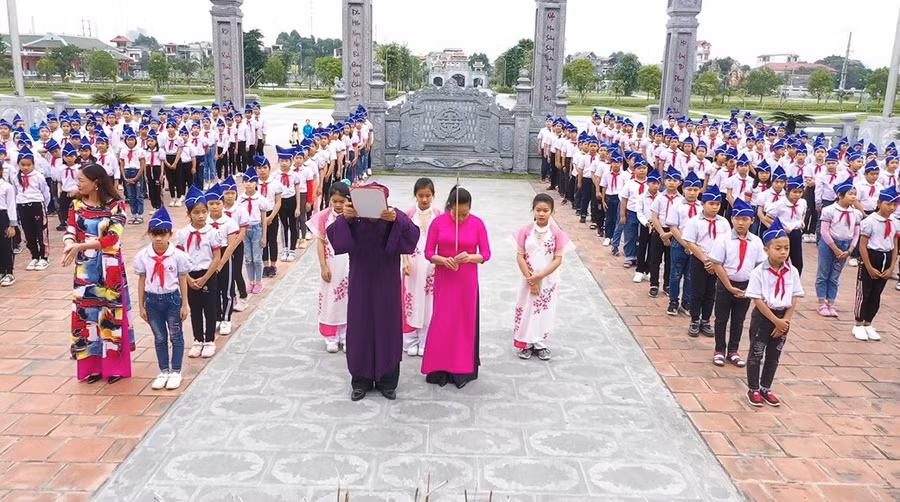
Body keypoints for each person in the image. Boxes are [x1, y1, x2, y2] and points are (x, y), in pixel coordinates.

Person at [326, 182, 419, 401]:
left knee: (387, 327)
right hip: (361, 280)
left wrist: (398, 218)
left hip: (386, 281)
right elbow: (334, 237)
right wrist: (345, 218)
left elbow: (412, 237)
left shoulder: (392, 218)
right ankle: (361, 380)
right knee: (360, 327)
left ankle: (388, 380)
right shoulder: (354, 220)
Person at [63, 164, 132, 384]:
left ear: (96, 182)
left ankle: (114, 366)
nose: (78, 183)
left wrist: (79, 247)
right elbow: (70, 230)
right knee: (87, 316)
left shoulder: (116, 206)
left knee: (109, 314)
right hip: (85, 270)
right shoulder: (76, 205)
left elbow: (112, 238)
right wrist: (68, 244)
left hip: (109, 268)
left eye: (82, 180)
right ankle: (91, 366)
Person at [422, 186, 491, 389]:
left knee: (463, 322)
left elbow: (486, 254)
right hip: (445, 278)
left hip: (467, 281)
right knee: (443, 321)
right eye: (456, 214)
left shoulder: (477, 223)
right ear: (449, 207)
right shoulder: (438, 222)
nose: (460, 218)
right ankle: (440, 367)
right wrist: (442, 260)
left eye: (465, 214)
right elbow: (428, 252)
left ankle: (461, 369)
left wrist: (470, 257)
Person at [744, 218, 803, 408]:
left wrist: (785, 321)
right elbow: (757, 299)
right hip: (764, 317)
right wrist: (774, 320)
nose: (783, 252)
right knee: (756, 352)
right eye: (778, 248)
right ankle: (753, 388)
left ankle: (765, 387)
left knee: (774, 355)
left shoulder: (792, 271)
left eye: (786, 248)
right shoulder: (758, 272)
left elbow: (794, 296)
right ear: (766, 249)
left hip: (783, 317)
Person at [512, 193, 572, 361]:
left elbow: (558, 259)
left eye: (545, 210)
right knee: (526, 307)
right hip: (527, 278)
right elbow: (520, 256)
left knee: (544, 309)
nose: (541, 213)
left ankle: (540, 342)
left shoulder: (556, 233)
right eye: (538, 210)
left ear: (552, 211)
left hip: (547, 280)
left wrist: (540, 276)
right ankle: (526, 343)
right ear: (533, 210)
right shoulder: (525, 231)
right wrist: (530, 278)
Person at [136, 207, 190, 391]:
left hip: (172, 300)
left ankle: (176, 370)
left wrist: (185, 304)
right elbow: (142, 279)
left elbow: (182, 279)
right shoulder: (143, 256)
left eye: (162, 234)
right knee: (159, 337)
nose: (158, 239)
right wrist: (141, 305)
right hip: (152, 301)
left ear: (170, 234)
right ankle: (163, 370)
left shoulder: (178, 256)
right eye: (154, 234)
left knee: (176, 335)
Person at [709, 198, 765, 367]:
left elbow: (759, 266)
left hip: (745, 286)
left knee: (739, 319)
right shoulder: (723, 239)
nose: (740, 223)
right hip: (725, 284)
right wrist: (728, 286)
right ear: (732, 219)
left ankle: (733, 350)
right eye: (737, 219)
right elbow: (717, 264)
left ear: (752, 220)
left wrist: (751, 287)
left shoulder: (756, 241)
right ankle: (719, 349)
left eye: (745, 219)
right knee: (721, 318)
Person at [177, 185, 224, 359]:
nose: (201, 216)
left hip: (208, 274)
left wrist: (205, 277)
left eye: (204, 212)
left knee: (210, 308)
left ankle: (210, 340)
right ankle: (198, 339)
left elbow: (217, 257)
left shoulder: (212, 233)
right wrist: (188, 278)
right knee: (194, 308)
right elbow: (180, 257)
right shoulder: (182, 234)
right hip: (190, 274)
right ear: (189, 214)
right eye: (197, 212)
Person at [682, 184, 731, 337]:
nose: (715, 207)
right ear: (702, 204)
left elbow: (727, 242)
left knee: (712, 292)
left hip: (717, 262)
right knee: (698, 291)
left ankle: (706, 320)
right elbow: (690, 242)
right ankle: (695, 319)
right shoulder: (694, 221)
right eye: (711, 204)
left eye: (717, 204)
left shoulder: (723, 222)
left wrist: (716, 262)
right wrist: (705, 260)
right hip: (699, 259)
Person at [309, 183, 352, 353]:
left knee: (349, 300)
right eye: (335, 201)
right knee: (330, 299)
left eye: (342, 201)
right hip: (331, 265)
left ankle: (346, 335)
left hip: (349, 263)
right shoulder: (323, 217)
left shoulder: (353, 216)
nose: (339, 205)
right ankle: (330, 336)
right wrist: (323, 266)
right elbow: (320, 243)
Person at [853, 185, 898, 341]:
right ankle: (858, 324)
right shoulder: (870, 221)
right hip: (871, 256)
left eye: (895, 204)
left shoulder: (894, 222)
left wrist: (892, 266)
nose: (891, 208)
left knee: (877, 293)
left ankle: (868, 323)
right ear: (879, 203)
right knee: (864, 292)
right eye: (888, 204)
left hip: (886, 256)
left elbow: (895, 244)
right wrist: (869, 266)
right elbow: (863, 245)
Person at [403, 178, 441, 357]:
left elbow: (443, 241)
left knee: (429, 302)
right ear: (415, 196)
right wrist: (404, 261)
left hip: (431, 263)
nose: (424, 200)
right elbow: (400, 240)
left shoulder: (439, 215)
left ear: (433, 195)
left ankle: (426, 340)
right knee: (410, 300)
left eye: (428, 196)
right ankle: (410, 339)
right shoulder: (408, 215)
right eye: (421, 196)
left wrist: (437, 262)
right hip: (412, 262)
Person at [815, 180, 859, 317]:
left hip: (845, 245)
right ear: (840, 195)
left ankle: (831, 303)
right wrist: (834, 248)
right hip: (829, 244)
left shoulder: (856, 213)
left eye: (855, 194)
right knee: (823, 272)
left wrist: (850, 250)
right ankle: (821, 302)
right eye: (850, 194)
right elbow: (824, 231)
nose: (853, 197)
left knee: (835, 275)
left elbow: (856, 233)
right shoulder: (829, 210)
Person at [666, 170, 703, 316]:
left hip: (696, 246)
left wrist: (694, 246)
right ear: (683, 189)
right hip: (679, 243)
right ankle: (673, 301)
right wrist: (686, 244)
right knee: (675, 273)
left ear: (700, 190)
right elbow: (673, 227)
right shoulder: (677, 206)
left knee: (690, 275)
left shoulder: (702, 208)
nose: (692, 193)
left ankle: (686, 301)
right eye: (689, 189)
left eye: (695, 190)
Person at [14, 146, 51, 271]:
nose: (25, 167)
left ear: (33, 164)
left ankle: (44, 257)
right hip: (22, 206)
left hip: (36, 205)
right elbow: (15, 193)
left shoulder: (38, 176)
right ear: (18, 164)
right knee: (28, 233)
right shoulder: (15, 178)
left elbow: (45, 192)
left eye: (28, 165)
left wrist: (43, 206)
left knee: (41, 232)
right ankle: (34, 256)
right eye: (22, 164)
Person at [648, 167, 682, 298]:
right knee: (655, 259)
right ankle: (654, 284)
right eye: (669, 180)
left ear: (679, 182)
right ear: (664, 181)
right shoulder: (659, 198)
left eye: (674, 180)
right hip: (659, 230)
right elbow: (654, 217)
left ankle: (667, 284)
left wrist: (670, 234)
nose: (671, 183)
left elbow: (682, 221)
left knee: (670, 260)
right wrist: (662, 234)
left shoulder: (681, 200)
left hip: (674, 233)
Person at [238, 166, 270, 292]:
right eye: (245, 181)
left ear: (256, 182)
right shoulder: (240, 199)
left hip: (257, 229)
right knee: (248, 258)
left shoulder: (260, 199)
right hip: (245, 230)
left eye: (251, 181)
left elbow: (263, 219)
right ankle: (250, 281)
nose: (248, 184)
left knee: (257, 258)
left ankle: (258, 281)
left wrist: (264, 236)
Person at [255, 156, 282, 278]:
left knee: (272, 240)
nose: (262, 170)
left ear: (269, 168)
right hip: (258, 216)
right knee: (262, 241)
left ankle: (273, 265)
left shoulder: (275, 183)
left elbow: (278, 202)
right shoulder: (254, 184)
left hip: (272, 214)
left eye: (265, 167)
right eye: (259, 168)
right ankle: (265, 266)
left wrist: (270, 217)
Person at [119, 129, 146, 225]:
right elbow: (122, 165)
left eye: (132, 139)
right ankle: (133, 214)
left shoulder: (140, 151)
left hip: (137, 172)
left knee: (139, 195)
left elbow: (142, 165)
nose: (130, 142)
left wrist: (137, 177)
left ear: (135, 140)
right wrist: (124, 177)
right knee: (131, 195)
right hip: (127, 172)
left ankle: (140, 214)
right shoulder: (123, 151)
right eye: (128, 139)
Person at [0, 161, 15, 286]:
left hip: (3, 216)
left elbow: (11, 206)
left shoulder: (7, 186)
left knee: (5, 244)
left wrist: (12, 224)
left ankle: (9, 272)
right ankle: (1, 270)